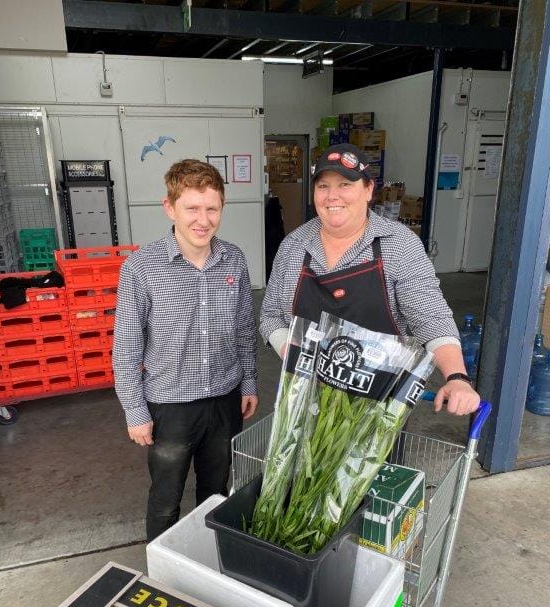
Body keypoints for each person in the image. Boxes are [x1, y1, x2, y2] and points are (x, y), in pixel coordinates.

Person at [260, 143, 480, 416]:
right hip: (304, 398)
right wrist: (291, 353)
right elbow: (270, 316)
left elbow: (430, 316)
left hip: (378, 408)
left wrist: (457, 377)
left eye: (344, 185)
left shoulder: (399, 244)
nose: (332, 196)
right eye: (323, 186)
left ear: (368, 190)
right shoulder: (293, 245)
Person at [113, 159, 258, 541]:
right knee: (165, 500)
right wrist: (134, 410)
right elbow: (126, 346)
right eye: (192, 208)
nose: (203, 220)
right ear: (170, 207)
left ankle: (208, 565)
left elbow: (244, 327)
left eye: (212, 208)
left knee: (216, 495)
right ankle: (164, 575)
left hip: (225, 402)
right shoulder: (141, 268)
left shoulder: (234, 259)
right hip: (170, 407)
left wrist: (248, 384)